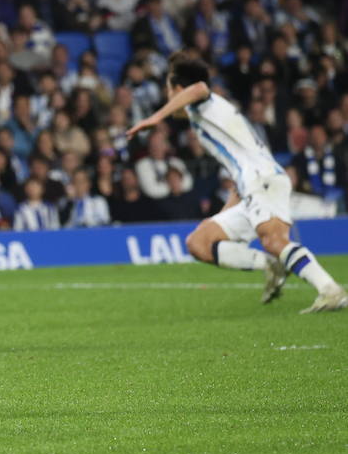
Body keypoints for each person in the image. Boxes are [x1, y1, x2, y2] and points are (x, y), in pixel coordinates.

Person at [127, 50, 347, 313]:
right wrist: (223, 217)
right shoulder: (204, 118)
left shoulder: (206, 103)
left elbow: (198, 88)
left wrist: (155, 117)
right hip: (249, 186)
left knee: (274, 241)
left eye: (168, 87)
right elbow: (236, 172)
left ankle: (330, 290)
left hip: (262, 179)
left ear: (177, 87)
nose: (167, 94)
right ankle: (270, 264)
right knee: (199, 242)